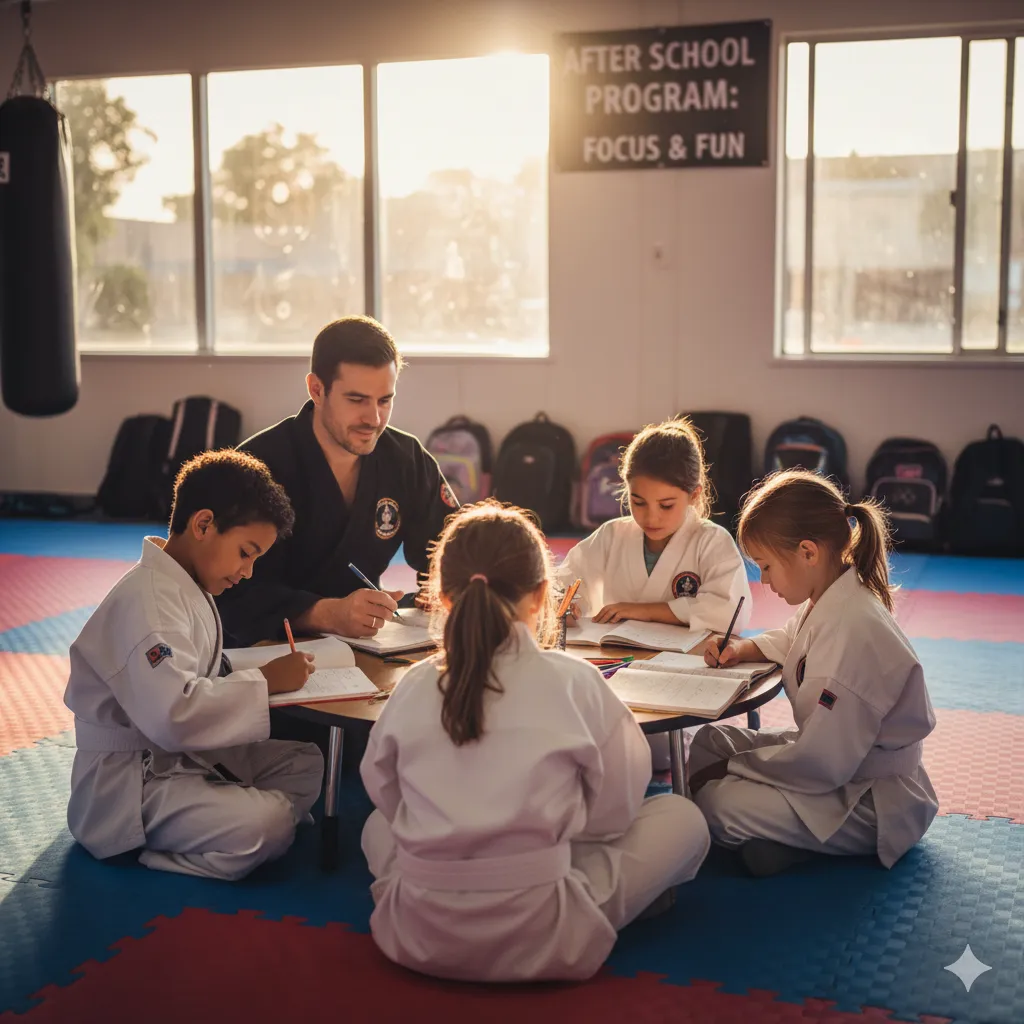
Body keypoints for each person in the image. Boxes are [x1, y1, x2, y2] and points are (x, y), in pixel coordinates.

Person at [360, 501, 709, 983]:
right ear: (542, 595)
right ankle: (620, 899)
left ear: (441, 597)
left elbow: (384, 792)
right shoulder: (576, 680)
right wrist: (546, 827)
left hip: (417, 930)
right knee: (683, 818)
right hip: (545, 932)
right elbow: (615, 813)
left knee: (376, 826)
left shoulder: (415, 684)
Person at [64, 450, 324, 881]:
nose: (248, 571)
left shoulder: (183, 584)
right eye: (246, 552)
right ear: (203, 525)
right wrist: (263, 681)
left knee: (306, 763)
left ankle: (218, 814)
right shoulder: (149, 601)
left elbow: (198, 674)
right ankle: (157, 851)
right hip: (133, 782)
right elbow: (172, 714)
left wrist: (259, 673)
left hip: (182, 757)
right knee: (270, 824)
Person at [688, 469, 939, 877]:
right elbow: (793, 640)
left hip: (873, 800)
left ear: (808, 552)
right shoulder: (833, 594)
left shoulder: (853, 631)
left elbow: (823, 764)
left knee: (719, 804)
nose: (765, 581)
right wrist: (740, 648)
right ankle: (779, 840)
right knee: (710, 742)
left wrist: (739, 769)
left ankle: (797, 845)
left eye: (766, 566)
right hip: (837, 761)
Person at [216, 315, 457, 648]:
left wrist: (448, 588)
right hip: (262, 653)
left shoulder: (404, 458)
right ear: (317, 389)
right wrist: (326, 613)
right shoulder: (257, 467)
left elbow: (450, 545)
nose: (373, 419)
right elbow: (226, 589)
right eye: (356, 400)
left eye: (385, 400)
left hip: (368, 645)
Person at [555, 418, 751, 633]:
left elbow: (730, 612)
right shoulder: (611, 536)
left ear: (694, 495)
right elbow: (565, 584)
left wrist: (643, 611)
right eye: (638, 502)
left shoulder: (712, 541)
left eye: (666, 506)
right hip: (617, 657)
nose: (651, 517)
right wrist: (565, 606)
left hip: (686, 661)